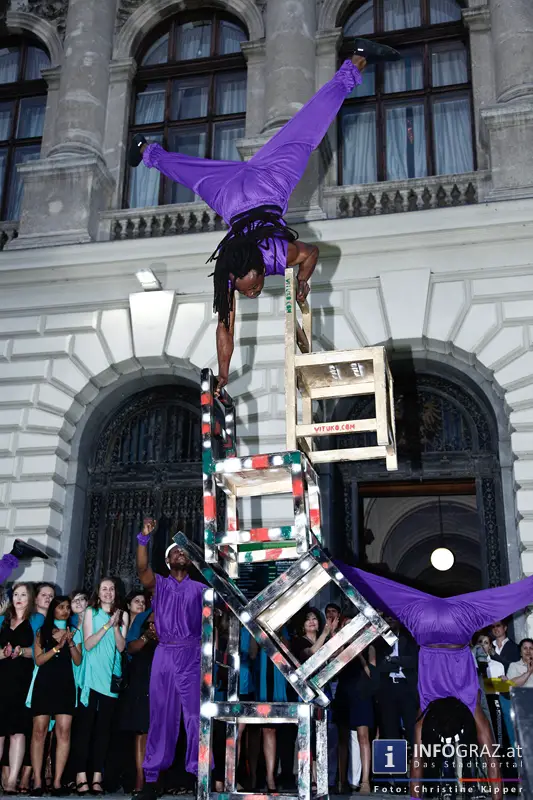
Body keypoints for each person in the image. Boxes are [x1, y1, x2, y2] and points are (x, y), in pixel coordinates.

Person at [128, 47, 395, 392]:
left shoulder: (273, 255)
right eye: (250, 289)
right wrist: (222, 372)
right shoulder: (229, 270)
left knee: (307, 133)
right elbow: (225, 324)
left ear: (253, 267)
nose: (253, 292)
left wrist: (302, 280)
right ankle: (145, 151)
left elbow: (310, 253)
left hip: (266, 187)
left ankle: (356, 61)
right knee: (189, 173)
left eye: (252, 286)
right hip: (231, 197)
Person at [334, 562, 533, 800]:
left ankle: (336, 565)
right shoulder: (458, 702)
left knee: (423, 747)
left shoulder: (432, 706)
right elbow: (489, 749)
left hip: (435, 633)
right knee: (486, 743)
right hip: (451, 635)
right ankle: (497, 798)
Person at [135, 518, 204, 800]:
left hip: (192, 654)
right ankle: (151, 781)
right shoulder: (159, 585)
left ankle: (202, 777)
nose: (180, 553)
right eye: (175, 551)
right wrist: (143, 538)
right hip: (164, 653)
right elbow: (141, 569)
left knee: (196, 718)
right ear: (167, 560)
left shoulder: (201, 589)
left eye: (184, 551)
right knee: (161, 716)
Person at [71, 577, 128, 797]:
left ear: (116, 592)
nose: (107, 592)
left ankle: (96, 777)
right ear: (98, 591)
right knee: (85, 728)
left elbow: (122, 648)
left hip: (110, 679)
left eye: (111, 589)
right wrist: (106, 625)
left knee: (103, 731)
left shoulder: (122, 614)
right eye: (104, 589)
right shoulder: (90, 613)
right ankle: (80, 776)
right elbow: (87, 643)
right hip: (91, 678)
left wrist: (115, 627)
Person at [27, 596, 82, 796]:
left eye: (68, 607)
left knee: (64, 732)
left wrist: (70, 643)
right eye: (60, 607)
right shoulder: (42, 632)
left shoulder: (74, 632)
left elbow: (78, 661)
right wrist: (57, 646)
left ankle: (57, 781)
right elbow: (39, 660)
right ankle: (38, 781)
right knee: (39, 731)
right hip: (45, 684)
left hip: (66, 685)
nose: (65, 611)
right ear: (53, 610)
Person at [332, 616, 377, 796]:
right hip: (344, 693)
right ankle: (342, 781)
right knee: (342, 739)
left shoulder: (369, 645)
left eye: (353, 623)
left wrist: (360, 655)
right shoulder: (340, 645)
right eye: (346, 624)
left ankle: (365, 781)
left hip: (362, 693)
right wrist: (339, 641)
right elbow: (335, 669)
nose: (350, 627)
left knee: (363, 737)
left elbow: (371, 673)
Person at [0, 583, 36, 794]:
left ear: (30, 598)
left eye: (23, 594)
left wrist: (21, 651)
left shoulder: (35, 620)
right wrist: (4, 653)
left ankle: (13, 780)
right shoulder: (3, 620)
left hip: (23, 682)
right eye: (15, 594)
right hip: (2, 679)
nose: (19, 598)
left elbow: (39, 650)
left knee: (18, 731)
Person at [120, 613, 158, 795]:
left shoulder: (175, 614)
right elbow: (130, 648)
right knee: (142, 729)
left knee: (160, 731)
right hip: (142, 677)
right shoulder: (142, 617)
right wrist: (147, 637)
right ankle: (140, 778)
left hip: (164, 676)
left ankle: (156, 779)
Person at [375, 615, 419, 746]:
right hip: (388, 688)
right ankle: (394, 766)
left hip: (407, 688)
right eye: (387, 618)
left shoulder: (410, 638)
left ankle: (416, 763)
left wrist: (393, 660)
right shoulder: (380, 641)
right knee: (390, 730)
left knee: (412, 728)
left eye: (393, 617)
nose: (390, 620)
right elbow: (380, 666)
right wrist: (400, 661)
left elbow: (413, 661)